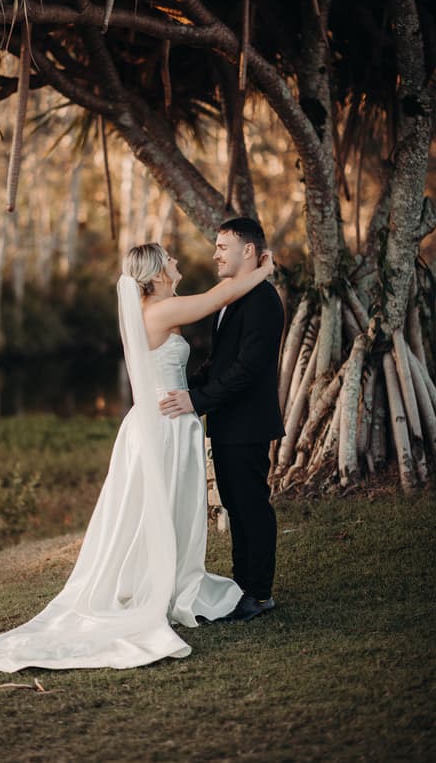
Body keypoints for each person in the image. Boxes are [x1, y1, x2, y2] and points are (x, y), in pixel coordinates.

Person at [0, 242, 274, 674]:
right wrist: (264, 271)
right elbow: (218, 298)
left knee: (161, 508)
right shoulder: (157, 310)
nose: (177, 261)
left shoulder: (157, 306)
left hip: (165, 422)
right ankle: (153, 586)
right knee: (154, 508)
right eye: (170, 258)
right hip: (162, 426)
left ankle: (162, 580)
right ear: (156, 275)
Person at [160, 218, 285, 623]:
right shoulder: (232, 298)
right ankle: (243, 587)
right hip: (228, 422)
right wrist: (186, 385)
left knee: (251, 505)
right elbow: (220, 363)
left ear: (248, 251)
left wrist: (196, 400)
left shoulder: (263, 301)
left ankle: (260, 594)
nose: (215, 254)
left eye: (222, 247)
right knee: (234, 503)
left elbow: (247, 369)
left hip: (248, 422)